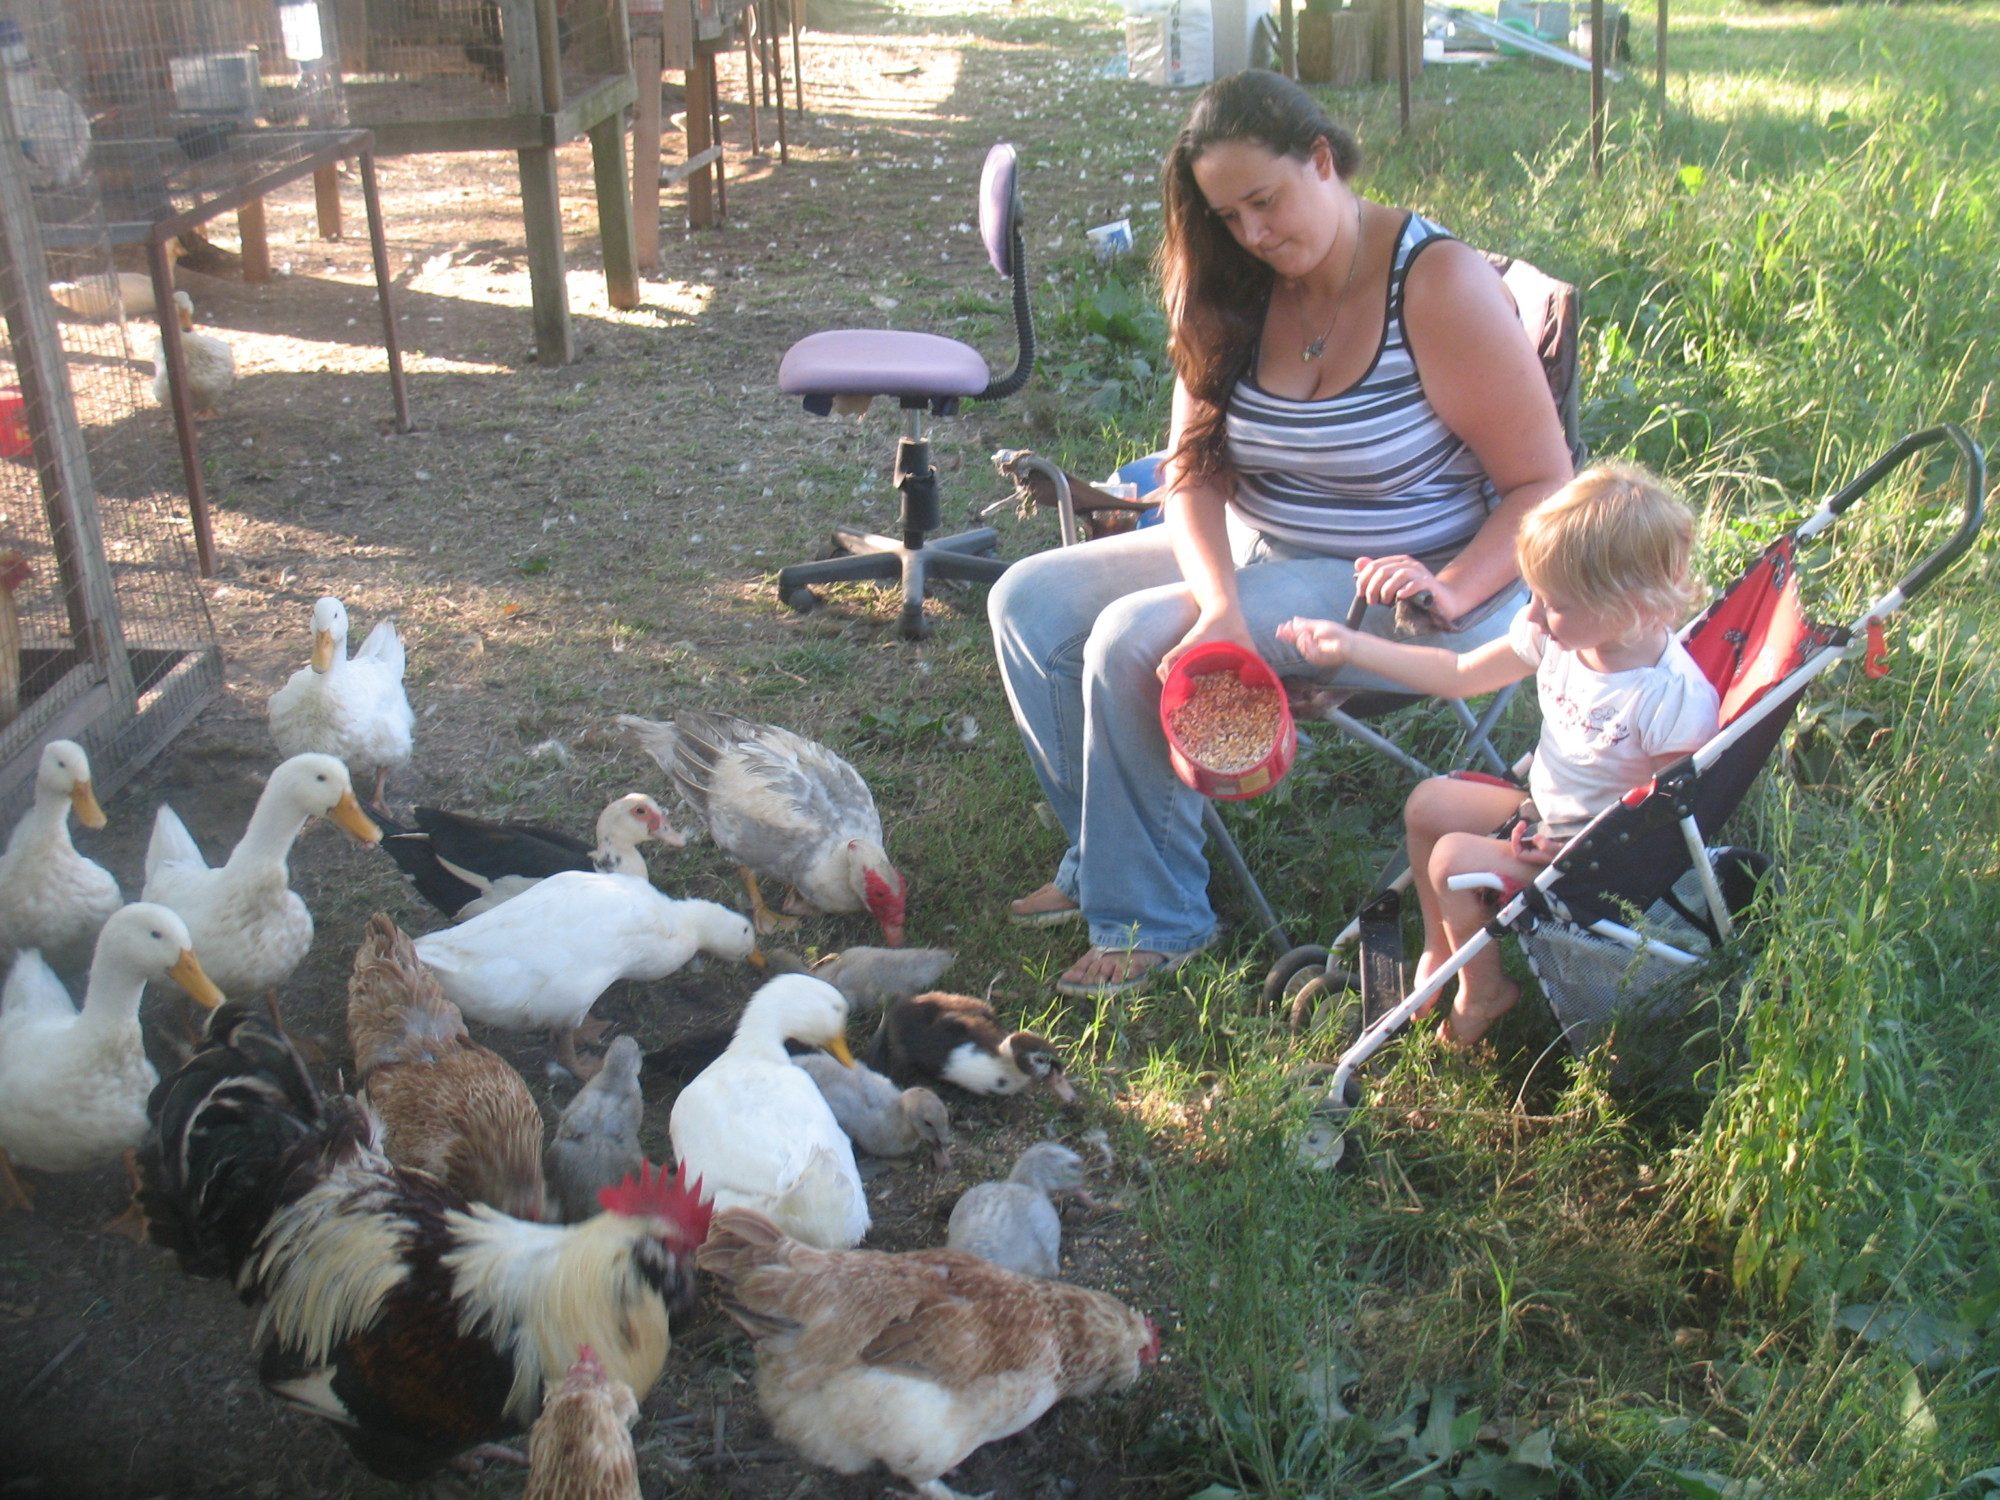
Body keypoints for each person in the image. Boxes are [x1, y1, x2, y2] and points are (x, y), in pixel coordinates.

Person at [987, 69, 1575, 998]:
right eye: (1229, 216)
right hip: (1265, 552)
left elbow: (1545, 484)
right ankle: (1105, 862)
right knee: (1029, 600)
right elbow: (1192, 472)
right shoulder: (1237, 286)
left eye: (1265, 202)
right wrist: (1219, 604)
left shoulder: (1435, 284)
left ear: (1323, 160)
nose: (1254, 234)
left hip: (1413, 584)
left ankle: (1154, 924)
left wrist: (1455, 588)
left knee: (1132, 640)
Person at [1277, 463, 1721, 1046]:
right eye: (1533, 595)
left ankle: (1485, 990)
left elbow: (1671, 822)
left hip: (1596, 860)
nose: (1531, 616)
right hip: (1545, 814)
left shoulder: (1669, 698)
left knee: (1452, 860)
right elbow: (1459, 672)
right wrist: (1353, 646)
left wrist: (1584, 845)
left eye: (1552, 603)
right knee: (1429, 804)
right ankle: (1443, 945)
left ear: (1628, 608)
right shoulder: (1560, 636)